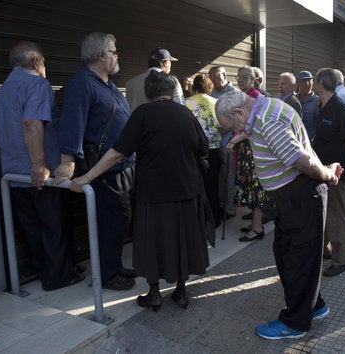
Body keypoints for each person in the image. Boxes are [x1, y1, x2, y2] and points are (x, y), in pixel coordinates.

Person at [70, 71, 211, 310]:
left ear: (148, 93)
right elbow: (203, 150)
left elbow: (116, 153)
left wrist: (87, 176)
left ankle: (154, 294)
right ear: (170, 91)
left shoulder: (143, 114)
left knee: (153, 240)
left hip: (152, 192)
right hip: (187, 190)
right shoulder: (186, 113)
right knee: (182, 239)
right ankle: (181, 292)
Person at [215, 90, 342, 340]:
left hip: (300, 195)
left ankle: (294, 323)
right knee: (288, 255)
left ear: (240, 112)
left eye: (232, 126)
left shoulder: (266, 121)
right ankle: (313, 306)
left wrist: (328, 174)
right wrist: (243, 134)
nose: (233, 131)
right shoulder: (268, 106)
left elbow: (303, 160)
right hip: (292, 197)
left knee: (297, 260)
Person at [0, 41, 84, 291]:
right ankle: (59, 278)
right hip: (39, 174)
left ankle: (47, 273)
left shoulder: (3, 90)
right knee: (54, 225)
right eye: (43, 62)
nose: (45, 67)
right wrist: (39, 164)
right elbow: (32, 122)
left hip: (12, 172)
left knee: (32, 227)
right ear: (35, 62)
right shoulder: (37, 83)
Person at [53, 32, 136, 290]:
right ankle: (109, 275)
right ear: (101, 55)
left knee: (119, 220)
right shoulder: (82, 82)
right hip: (104, 167)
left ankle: (115, 266)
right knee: (112, 221)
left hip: (122, 165)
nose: (116, 55)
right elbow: (72, 122)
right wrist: (67, 161)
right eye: (113, 51)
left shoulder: (107, 83)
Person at [312, 68, 345, 276]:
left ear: (321, 83)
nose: (312, 83)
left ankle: (341, 261)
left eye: (314, 80)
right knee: (326, 214)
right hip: (323, 171)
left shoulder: (340, 107)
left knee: (337, 216)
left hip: (336, 174)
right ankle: (326, 251)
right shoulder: (324, 105)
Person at [231, 65, 265, 241]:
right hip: (245, 150)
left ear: (254, 80)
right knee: (249, 187)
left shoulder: (256, 97)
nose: (241, 80)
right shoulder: (242, 97)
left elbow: (250, 127)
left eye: (245, 77)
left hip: (253, 150)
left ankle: (258, 227)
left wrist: (232, 141)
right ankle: (255, 224)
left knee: (254, 188)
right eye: (238, 77)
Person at [186, 74, 221, 227]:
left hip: (194, 150)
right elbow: (222, 125)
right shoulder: (216, 102)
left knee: (196, 184)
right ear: (209, 86)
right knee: (212, 184)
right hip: (214, 148)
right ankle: (215, 219)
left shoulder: (186, 103)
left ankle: (198, 218)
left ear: (194, 86)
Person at [208, 65, 238, 219]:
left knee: (228, 177)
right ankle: (220, 205)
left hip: (228, 142)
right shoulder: (213, 93)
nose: (214, 78)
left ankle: (230, 209)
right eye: (211, 76)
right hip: (215, 143)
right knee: (219, 177)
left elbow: (235, 120)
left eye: (216, 75)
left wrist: (219, 132)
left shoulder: (233, 93)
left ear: (225, 74)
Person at [296, 70, 320, 140]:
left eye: (309, 81)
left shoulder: (317, 100)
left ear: (313, 83)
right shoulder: (293, 100)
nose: (307, 84)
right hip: (296, 139)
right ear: (298, 83)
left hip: (311, 141)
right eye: (303, 81)